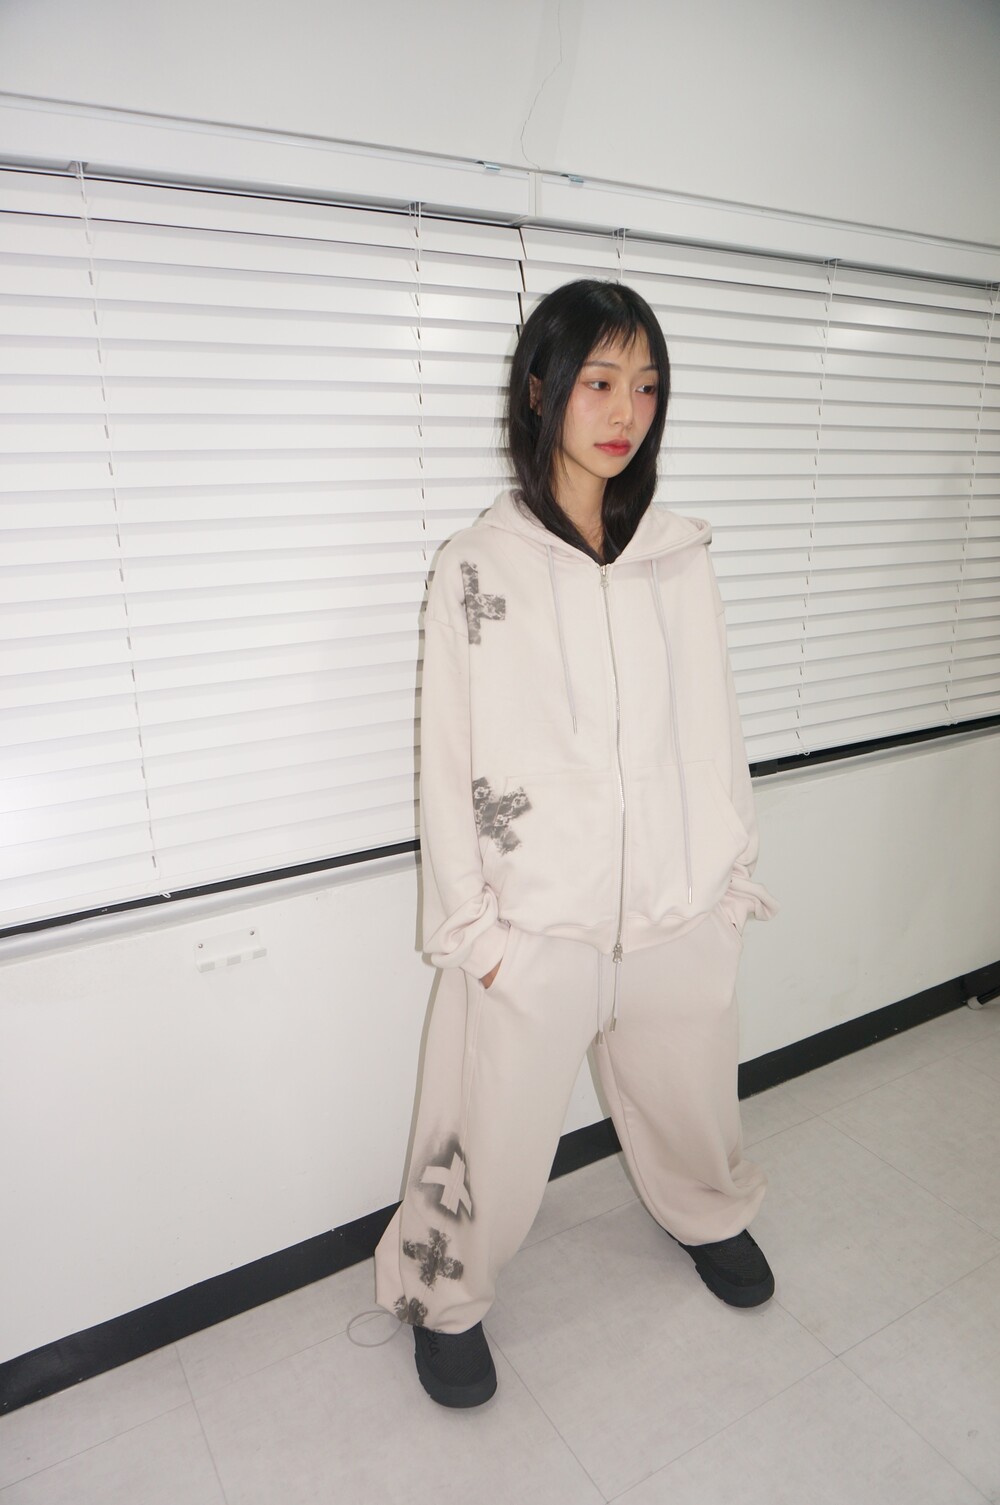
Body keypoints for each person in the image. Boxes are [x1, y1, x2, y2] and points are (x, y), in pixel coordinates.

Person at [371, 278, 780, 1408]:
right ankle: (442, 1291)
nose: (624, 411)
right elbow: (446, 757)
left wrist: (728, 883)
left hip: (675, 912)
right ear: (540, 389)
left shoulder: (678, 556)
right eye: (599, 381)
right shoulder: (476, 566)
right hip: (532, 925)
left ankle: (706, 1211)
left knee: (695, 1103)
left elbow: (717, 722)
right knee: (479, 1138)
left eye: (645, 386)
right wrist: (477, 934)